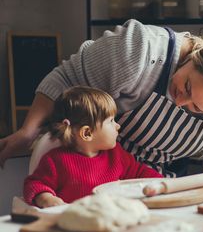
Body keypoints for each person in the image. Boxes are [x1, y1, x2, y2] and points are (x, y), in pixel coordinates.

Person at [0, 19, 203, 176]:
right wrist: (27, 131)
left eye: (196, 107)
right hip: (91, 173)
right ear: (195, 57)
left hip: (153, 189)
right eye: (187, 87)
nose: (181, 102)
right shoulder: (138, 49)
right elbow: (64, 80)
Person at [24, 86, 162, 208]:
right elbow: (35, 184)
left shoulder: (116, 154)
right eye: (111, 121)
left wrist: (164, 183)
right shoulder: (55, 161)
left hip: (111, 218)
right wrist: (46, 198)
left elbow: (139, 172)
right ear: (87, 133)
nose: (117, 126)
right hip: (73, 224)